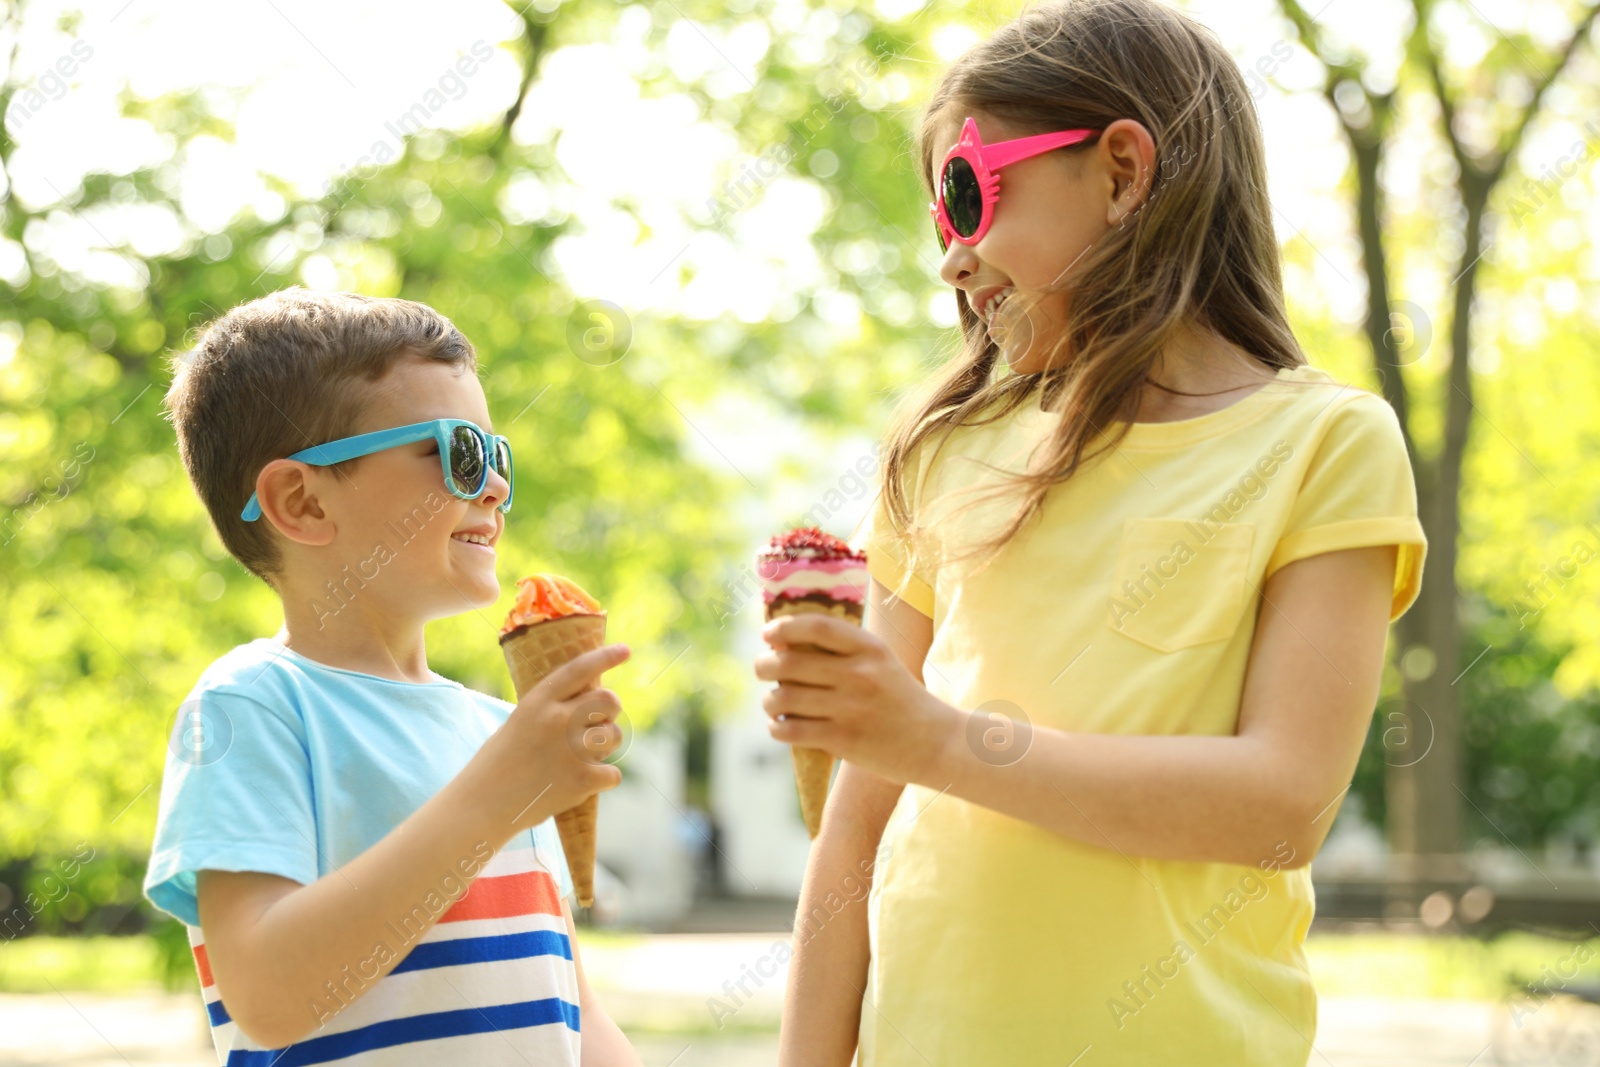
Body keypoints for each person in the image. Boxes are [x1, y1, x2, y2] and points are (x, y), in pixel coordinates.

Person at [756, 2, 1428, 1063]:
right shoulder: (938, 452)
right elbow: (852, 831)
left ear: (1121, 172)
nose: (952, 263)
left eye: (969, 198)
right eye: (939, 221)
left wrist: (936, 738)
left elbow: (1281, 805)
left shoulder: (1325, 443)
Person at [143, 288, 641, 1065]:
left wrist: (509, 779)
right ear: (303, 500)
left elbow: (573, 1009)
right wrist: (499, 793)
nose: (497, 486)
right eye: (458, 453)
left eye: (497, 455)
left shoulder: (496, 732)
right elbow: (270, 996)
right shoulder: (252, 707)